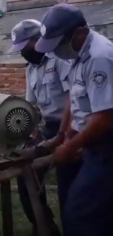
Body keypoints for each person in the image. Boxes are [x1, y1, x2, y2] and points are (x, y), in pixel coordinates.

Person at [35, 3, 113, 236]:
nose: (57, 50)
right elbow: (77, 101)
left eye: (59, 43)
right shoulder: (78, 55)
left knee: (81, 214)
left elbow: (106, 117)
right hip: (90, 143)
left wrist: (70, 147)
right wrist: (64, 136)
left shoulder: (100, 57)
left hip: (107, 147)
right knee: (87, 209)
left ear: (79, 32)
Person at [8, 19, 82, 236]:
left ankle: (73, 229)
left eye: (25, 47)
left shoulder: (60, 60)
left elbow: (73, 100)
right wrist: (30, 134)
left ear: (38, 40)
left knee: (67, 185)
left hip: (70, 126)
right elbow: (32, 105)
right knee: (26, 173)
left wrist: (64, 137)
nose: (23, 53)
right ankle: (44, 225)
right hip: (46, 128)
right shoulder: (31, 67)